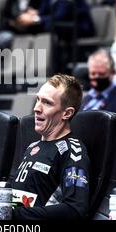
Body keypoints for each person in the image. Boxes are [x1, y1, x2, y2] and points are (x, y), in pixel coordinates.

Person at [11, 74, 89, 219]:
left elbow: (75, 208)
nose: (36, 108)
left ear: (67, 113)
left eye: (47, 103)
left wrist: (14, 215)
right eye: (38, 100)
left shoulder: (73, 150)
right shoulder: (32, 146)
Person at [81, 49, 116, 115]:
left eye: (101, 74)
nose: (96, 77)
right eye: (93, 74)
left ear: (112, 73)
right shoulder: (84, 99)